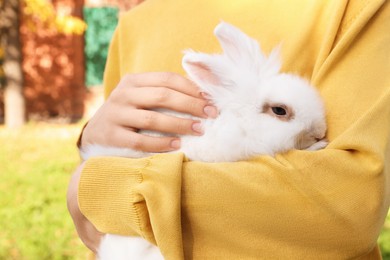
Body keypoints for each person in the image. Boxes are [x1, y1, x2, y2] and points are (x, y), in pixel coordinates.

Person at [67, 0, 390, 259]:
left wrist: (98, 188)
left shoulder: (354, 7)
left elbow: (349, 204)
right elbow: (102, 225)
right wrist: (89, 150)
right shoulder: (134, 25)